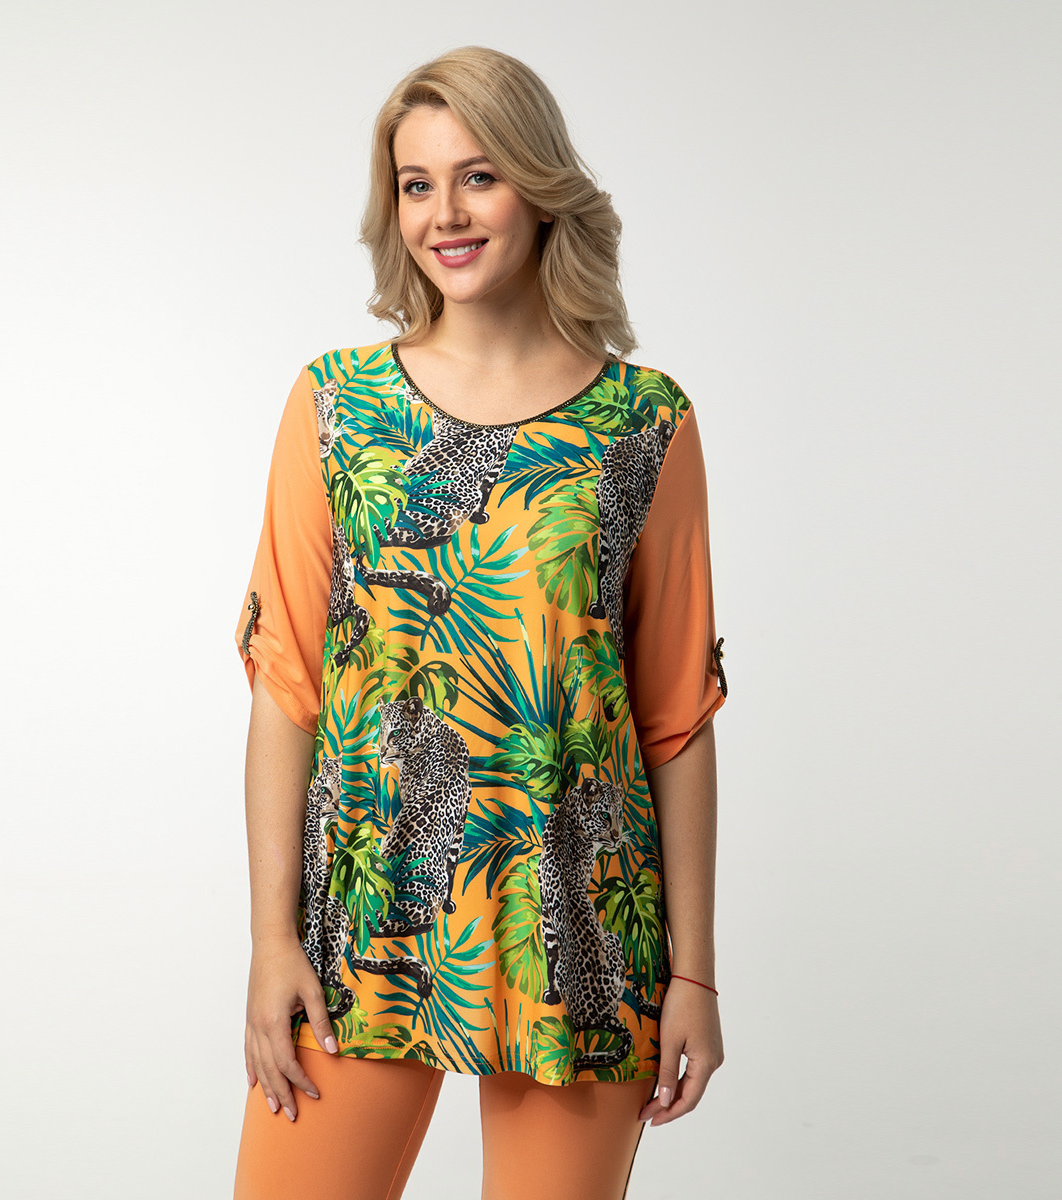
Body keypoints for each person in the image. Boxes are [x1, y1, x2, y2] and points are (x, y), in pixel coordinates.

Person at [230, 45, 729, 1200]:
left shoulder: (644, 424)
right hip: (365, 924)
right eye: (416, 184)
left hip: (579, 933)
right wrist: (270, 941)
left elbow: (676, 719)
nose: (444, 214)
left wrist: (694, 975)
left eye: (479, 176)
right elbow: (286, 686)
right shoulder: (335, 405)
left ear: (540, 190)